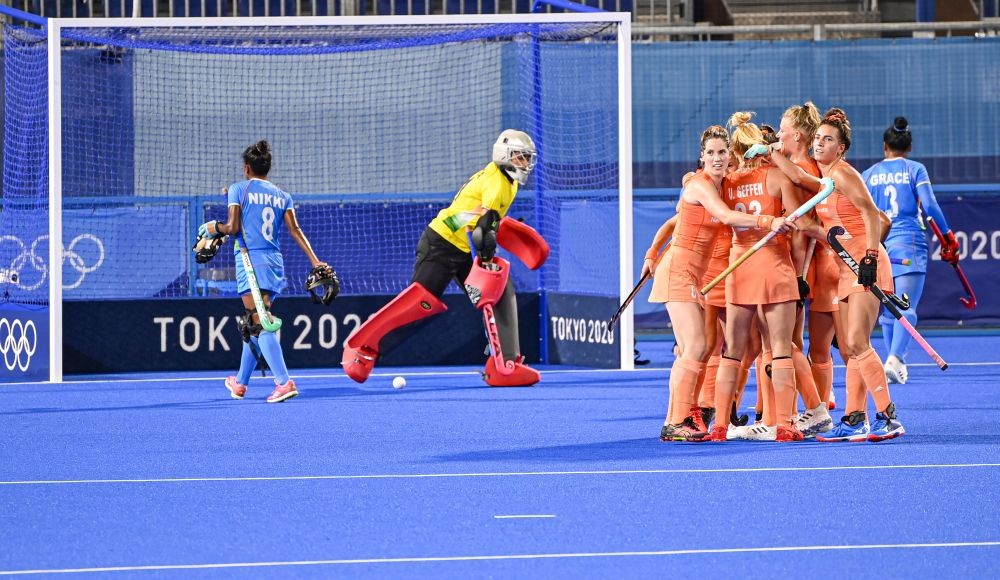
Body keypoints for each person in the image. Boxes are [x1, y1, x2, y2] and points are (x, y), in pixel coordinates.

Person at [341, 129, 547, 387]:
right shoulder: (496, 184)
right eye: (520, 158)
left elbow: (487, 224)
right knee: (419, 304)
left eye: (527, 159)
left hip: (461, 249)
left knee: (500, 292)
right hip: (441, 244)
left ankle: (506, 364)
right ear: (505, 156)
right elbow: (482, 230)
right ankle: (362, 345)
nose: (525, 164)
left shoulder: (509, 182)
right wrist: (485, 257)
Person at [758, 108, 905, 442]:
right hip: (843, 269)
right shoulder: (824, 179)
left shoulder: (844, 174)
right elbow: (798, 179)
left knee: (855, 341)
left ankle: (887, 416)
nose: (821, 144)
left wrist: (869, 255)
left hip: (866, 265)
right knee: (853, 348)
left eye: (828, 140)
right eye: (819, 138)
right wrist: (772, 152)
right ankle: (854, 419)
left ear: (841, 148)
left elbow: (872, 215)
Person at [645, 124, 791, 442]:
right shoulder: (700, 186)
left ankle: (677, 418)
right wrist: (769, 221)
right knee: (697, 346)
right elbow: (726, 217)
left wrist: (651, 251)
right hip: (679, 272)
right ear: (702, 156)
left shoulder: (722, 186)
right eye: (710, 153)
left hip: (694, 277)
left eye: (722, 152)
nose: (716, 158)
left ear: (730, 155)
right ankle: (678, 421)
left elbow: (676, 222)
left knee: (694, 348)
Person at [198, 140, 338, 403]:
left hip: (251, 262)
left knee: (259, 321)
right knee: (254, 321)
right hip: (274, 262)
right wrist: (315, 261)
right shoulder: (281, 195)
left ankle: (284, 382)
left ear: (246, 167)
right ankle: (240, 383)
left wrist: (212, 228)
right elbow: (295, 231)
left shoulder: (239, 189)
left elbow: (232, 226)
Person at [708, 111, 818, 443]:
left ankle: (720, 426)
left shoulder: (724, 182)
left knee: (733, 350)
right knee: (781, 349)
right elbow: (801, 219)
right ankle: (784, 424)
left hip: (740, 268)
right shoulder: (776, 177)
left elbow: (699, 190)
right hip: (775, 268)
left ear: (734, 151)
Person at [862, 116, 961, 385]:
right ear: (909, 146)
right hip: (908, 241)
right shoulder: (915, 169)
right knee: (907, 304)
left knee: (887, 306)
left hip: (879, 244)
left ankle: (890, 360)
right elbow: (929, 204)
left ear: (885, 146)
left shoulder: (868, 175)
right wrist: (948, 236)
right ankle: (896, 359)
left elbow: (862, 212)